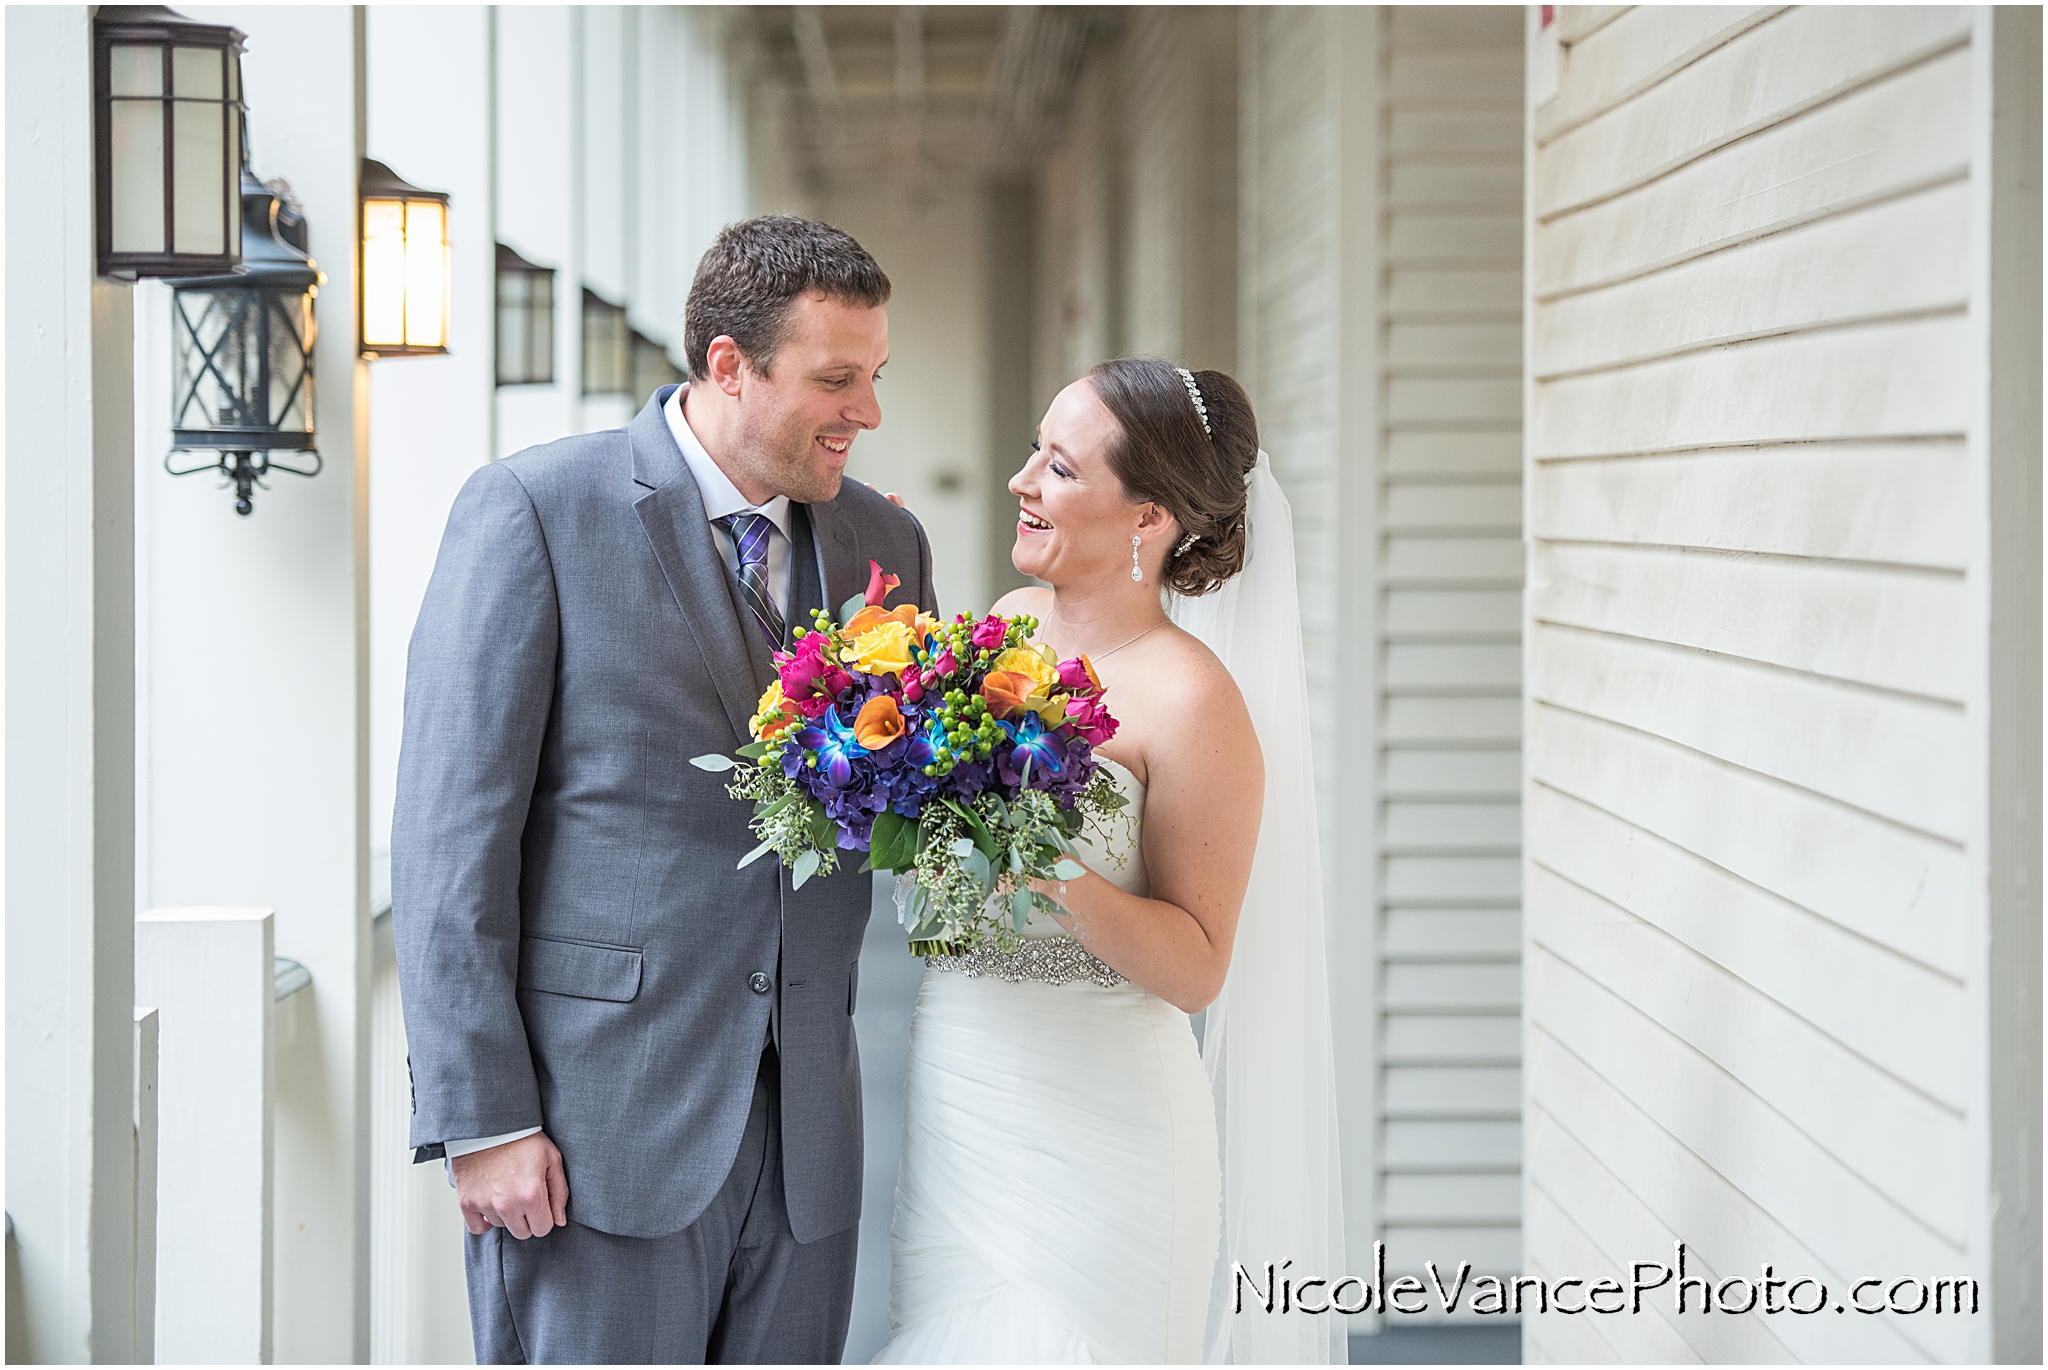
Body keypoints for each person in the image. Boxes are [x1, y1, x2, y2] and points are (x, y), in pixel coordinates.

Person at [392, 214, 936, 1364]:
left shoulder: (887, 539)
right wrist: (483, 1118)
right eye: (836, 379)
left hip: (808, 1143)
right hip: (595, 1130)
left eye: (875, 376)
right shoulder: (534, 511)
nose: (869, 412)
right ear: (728, 365)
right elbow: (449, 845)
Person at [873, 359, 1346, 1364]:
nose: (1021, 482)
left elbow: (1197, 964)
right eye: (1033, 453)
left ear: (1146, 517)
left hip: (1102, 1118)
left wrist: (1044, 871)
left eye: (1057, 465)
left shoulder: (1190, 699)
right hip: (961, 1078)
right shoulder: (1000, 622)